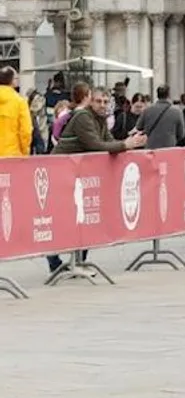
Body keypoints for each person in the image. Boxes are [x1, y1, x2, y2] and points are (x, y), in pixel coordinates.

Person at [51, 81, 150, 276]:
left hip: (81, 175)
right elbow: (96, 144)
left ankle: (80, 260)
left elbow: (109, 141)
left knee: (85, 217)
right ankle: (55, 260)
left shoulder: (101, 119)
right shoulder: (83, 118)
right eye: (98, 101)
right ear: (90, 101)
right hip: (61, 171)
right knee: (63, 217)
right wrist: (125, 145)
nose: (102, 105)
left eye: (106, 101)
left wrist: (132, 142)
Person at [1, 65, 34, 157]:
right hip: (12, 155)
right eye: (16, 78)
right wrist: (25, 152)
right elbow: (26, 131)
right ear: (12, 81)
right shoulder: (19, 102)